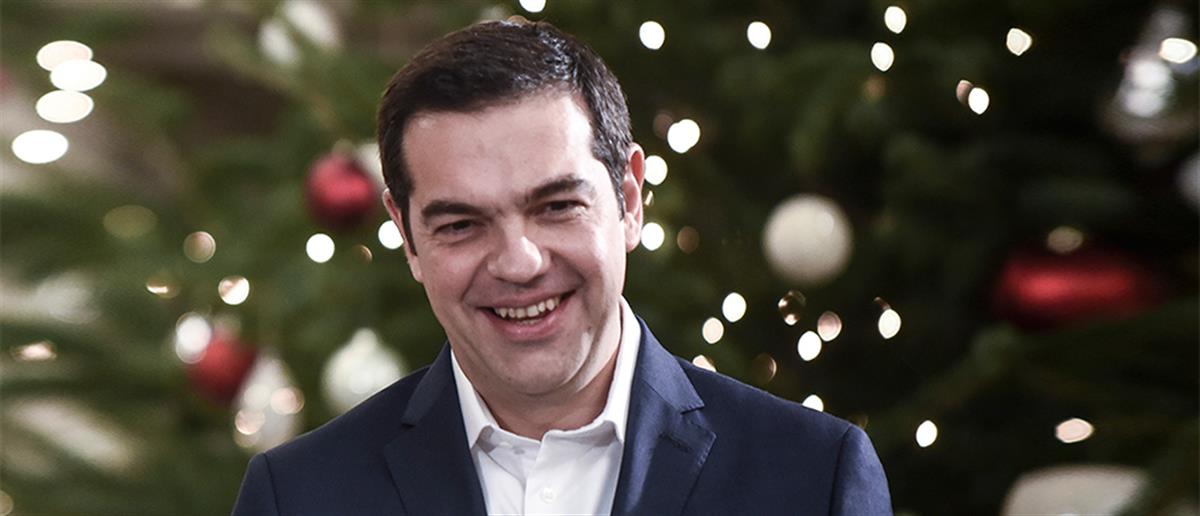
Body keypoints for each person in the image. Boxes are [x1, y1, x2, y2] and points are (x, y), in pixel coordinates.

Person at [232, 19, 891, 516]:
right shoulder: (297, 497)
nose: (519, 263)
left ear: (629, 199)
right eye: (461, 224)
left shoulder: (814, 478)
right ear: (406, 236)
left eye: (555, 207)